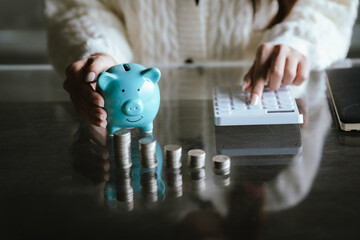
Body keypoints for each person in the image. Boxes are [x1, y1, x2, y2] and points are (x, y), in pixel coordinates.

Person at [44, 0, 358, 128]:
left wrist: (296, 40)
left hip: (274, 107)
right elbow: (79, 6)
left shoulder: (281, 192)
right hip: (130, 133)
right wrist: (100, 52)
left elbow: (331, 6)